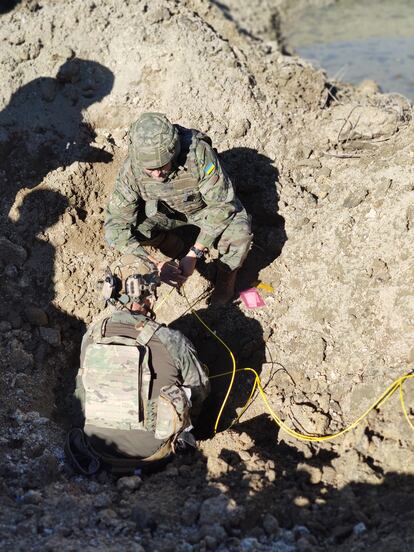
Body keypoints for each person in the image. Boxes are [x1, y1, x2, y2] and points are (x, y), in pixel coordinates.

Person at [66, 256, 210, 475]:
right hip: (153, 454)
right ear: (149, 295)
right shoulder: (171, 339)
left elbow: (81, 391)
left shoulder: (92, 336)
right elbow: (199, 390)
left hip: (97, 450)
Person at [104, 112, 252, 305]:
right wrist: (155, 264)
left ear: (173, 152)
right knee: (135, 229)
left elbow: (223, 204)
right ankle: (175, 249)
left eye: (162, 166)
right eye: (150, 169)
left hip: (204, 208)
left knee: (239, 233)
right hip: (170, 214)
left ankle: (225, 278)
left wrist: (195, 253)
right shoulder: (131, 171)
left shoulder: (197, 153)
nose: (157, 174)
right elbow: (115, 228)